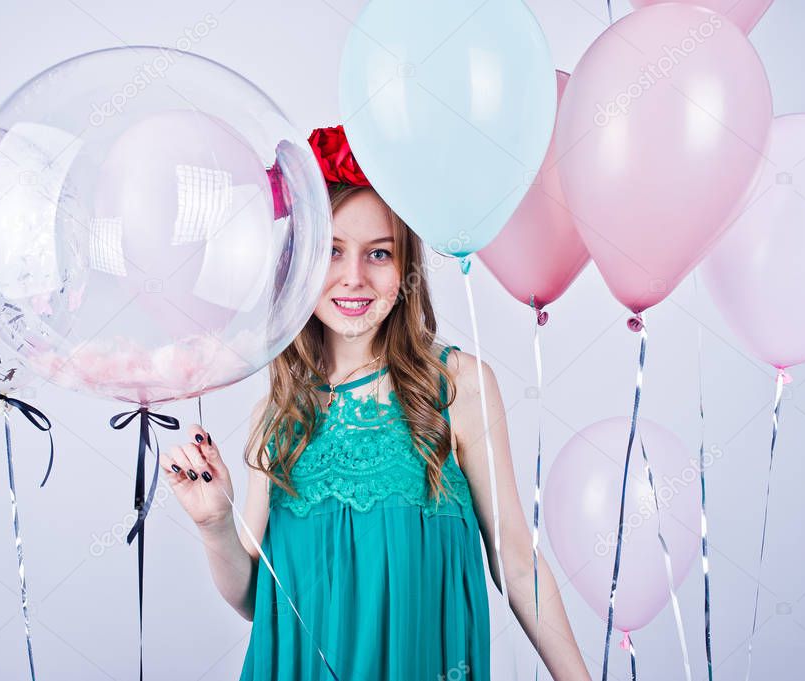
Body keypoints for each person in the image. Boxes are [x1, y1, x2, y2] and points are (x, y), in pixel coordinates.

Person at [159, 125, 591, 680]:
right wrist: (215, 523)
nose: (353, 277)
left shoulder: (455, 386)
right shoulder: (278, 412)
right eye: (331, 251)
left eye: (379, 253)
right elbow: (254, 599)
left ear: (406, 265)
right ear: (299, 260)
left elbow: (517, 562)